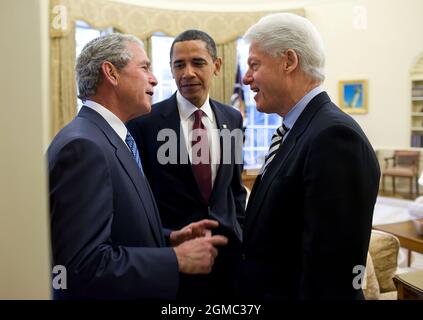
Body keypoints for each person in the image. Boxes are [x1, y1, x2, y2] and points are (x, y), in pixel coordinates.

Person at [48, 33, 228, 300]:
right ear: (111, 73)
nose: (154, 78)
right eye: (144, 67)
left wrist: (166, 238)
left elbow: (117, 229)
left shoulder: (109, 137)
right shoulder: (84, 147)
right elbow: (79, 268)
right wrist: (174, 259)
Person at [238, 13, 380, 300]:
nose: (246, 78)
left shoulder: (335, 137)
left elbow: (333, 275)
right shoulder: (297, 129)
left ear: (288, 61)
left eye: (255, 65)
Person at [127, 29, 246, 300]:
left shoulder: (232, 118)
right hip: (172, 260)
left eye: (198, 62)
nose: (187, 72)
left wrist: (239, 230)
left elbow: (235, 188)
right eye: (179, 65)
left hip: (227, 258)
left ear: (216, 66)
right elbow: (138, 199)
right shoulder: (143, 122)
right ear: (170, 69)